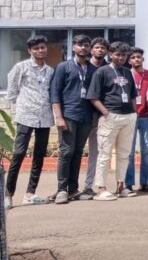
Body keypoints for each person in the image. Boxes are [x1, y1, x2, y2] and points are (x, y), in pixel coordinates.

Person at [4, 35, 54, 208]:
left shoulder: (50, 71)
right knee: (18, 154)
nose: (40, 50)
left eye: (42, 47)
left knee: (39, 156)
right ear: (30, 50)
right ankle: (8, 195)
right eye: (36, 48)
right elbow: (11, 91)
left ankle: (30, 193)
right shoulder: (21, 67)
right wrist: (17, 110)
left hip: (45, 118)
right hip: (25, 116)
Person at [87, 41, 138, 201]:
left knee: (124, 154)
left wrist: (134, 112)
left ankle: (121, 186)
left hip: (128, 116)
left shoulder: (128, 72)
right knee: (104, 153)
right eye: (117, 54)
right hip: (110, 116)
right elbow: (93, 96)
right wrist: (106, 113)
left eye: (123, 55)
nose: (121, 58)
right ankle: (101, 188)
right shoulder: (102, 72)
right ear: (110, 54)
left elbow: (132, 95)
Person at [51, 35, 96, 205]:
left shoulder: (93, 69)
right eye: (80, 45)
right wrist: (58, 116)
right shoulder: (63, 67)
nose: (83, 48)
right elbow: (54, 92)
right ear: (73, 48)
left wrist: (94, 118)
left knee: (78, 152)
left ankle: (73, 188)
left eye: (86, 45)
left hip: (85, 117)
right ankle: (61, 189)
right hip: (68, 115)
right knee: (66, 151)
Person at [79, 37, 109, 200]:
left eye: (103, 48)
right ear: (91, 49)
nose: (100, 50)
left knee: (96, 153)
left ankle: (89, 186)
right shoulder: (84, 67)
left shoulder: (109, 68)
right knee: (75, 152)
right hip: (82, 116)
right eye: (97, 47)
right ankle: (70, 187)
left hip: (102, 117)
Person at [126, 47, 148, 192]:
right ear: (129, 60)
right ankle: (128, 183)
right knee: (129, 152)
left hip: (146, 117)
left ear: (143, 59)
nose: (136, 59)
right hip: (130, 117)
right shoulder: (126, 74)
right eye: (133, 57)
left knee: (146, 152)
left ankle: (144, 183)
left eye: (139, 57)